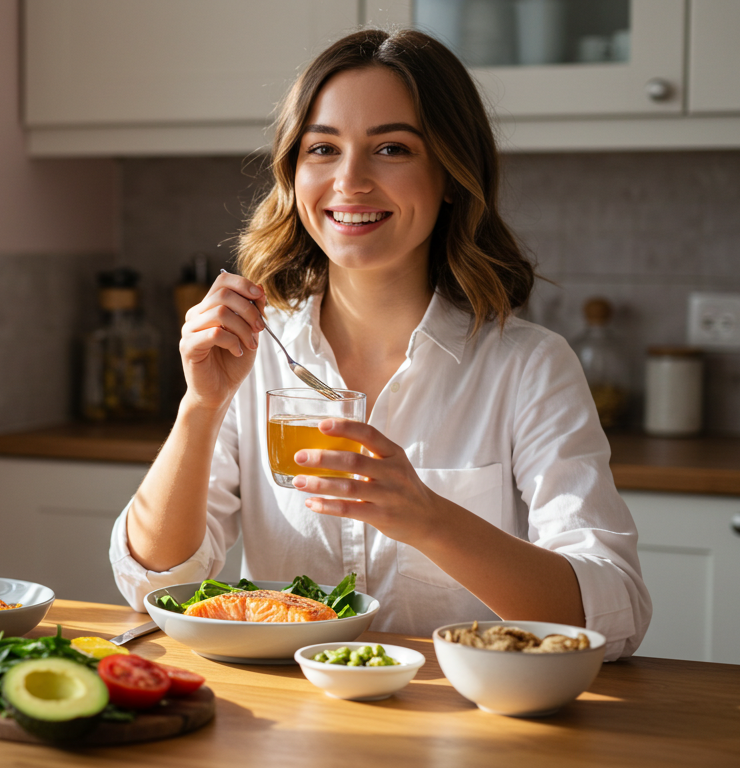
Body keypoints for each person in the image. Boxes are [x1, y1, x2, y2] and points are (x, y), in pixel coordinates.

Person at [108, 29, 651, 660]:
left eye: (391, 148)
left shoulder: (529, 366)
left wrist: (429, 517)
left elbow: (616, 617)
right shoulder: (256, 356)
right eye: (323, 149)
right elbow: (153, 583)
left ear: (451, 174)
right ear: (293, 173)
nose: (350, 180)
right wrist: (199, 409)